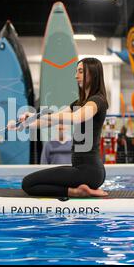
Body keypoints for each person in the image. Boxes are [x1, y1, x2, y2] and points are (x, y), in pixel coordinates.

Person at [13, 58, 109, 197]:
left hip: (89, 171)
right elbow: (51, 120)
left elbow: (75, 117)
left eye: (81, 71)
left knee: (28, 183)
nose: (76, 76)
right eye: (76, 71)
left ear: (93, 74)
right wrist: (26, 123)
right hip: (81, 169)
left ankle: (76, 192)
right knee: (31, 182)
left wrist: (40, 115)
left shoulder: (97, 101)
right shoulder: (80, 102)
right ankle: (78, 190)